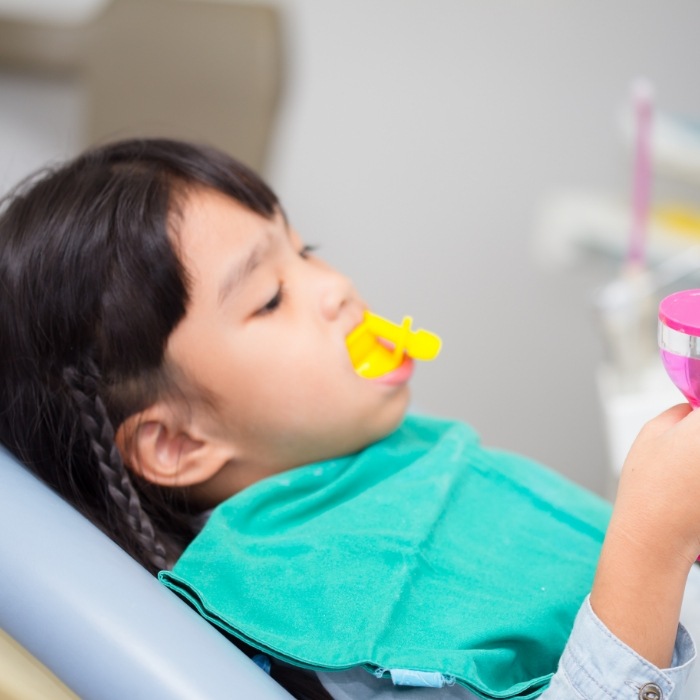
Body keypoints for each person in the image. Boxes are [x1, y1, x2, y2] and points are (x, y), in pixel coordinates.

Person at [0, 138, 699, 700]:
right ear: (178, 441)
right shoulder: (331, 624)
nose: (336, 289)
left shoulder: (381, 461)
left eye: (307, 252)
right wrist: (650, 542)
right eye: (271, 297)